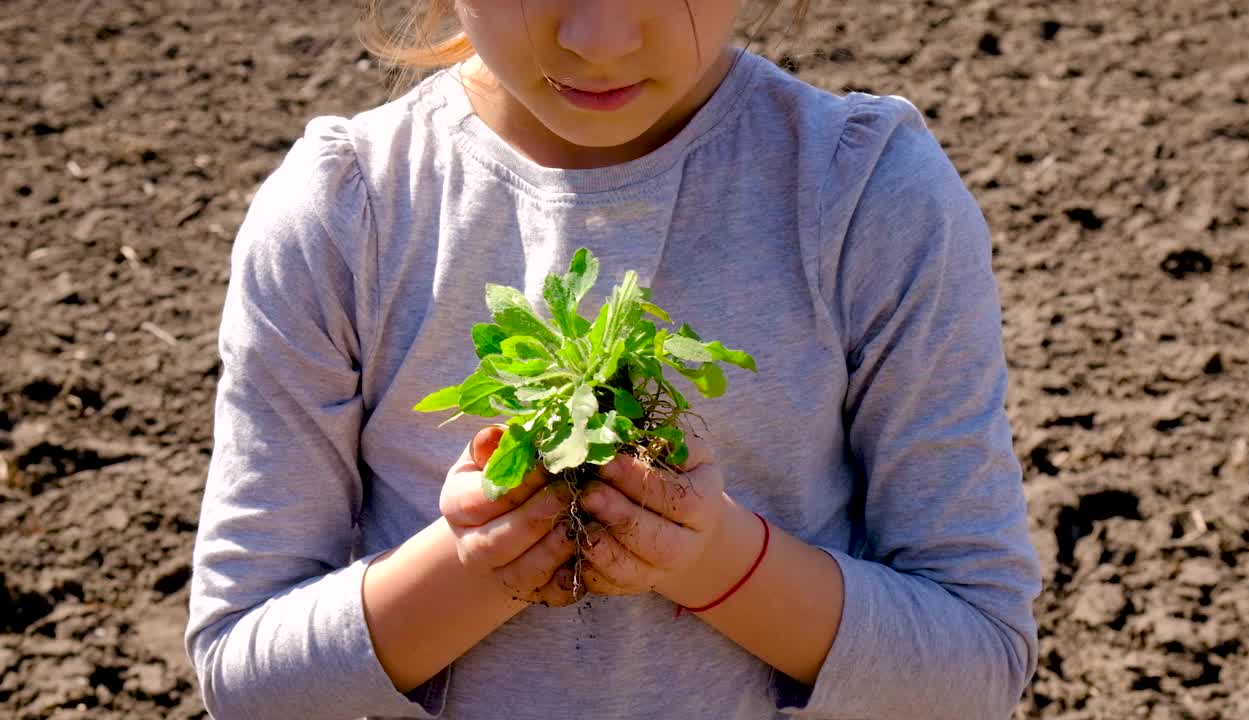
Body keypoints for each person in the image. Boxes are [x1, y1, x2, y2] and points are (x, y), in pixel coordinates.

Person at [185, 0, 1042, 718]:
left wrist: (713, 560)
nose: (601, 42)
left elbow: (975, 667)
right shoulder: (346, 212)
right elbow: (245, 673)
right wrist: (478, 565)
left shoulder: (865, 197)